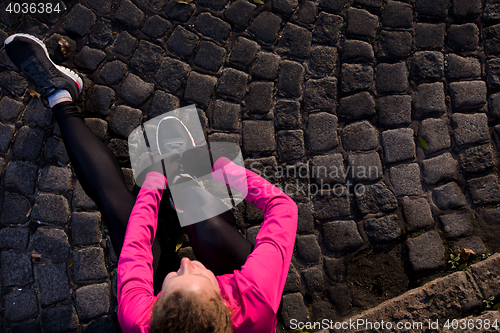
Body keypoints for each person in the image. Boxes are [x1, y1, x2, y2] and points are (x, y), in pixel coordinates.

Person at [4, 33, 298, 333]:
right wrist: (232, 174)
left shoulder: (137, 319)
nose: (186, 262)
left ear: (155, 308)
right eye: (198, 275)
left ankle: (60, 96)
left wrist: (153, 186)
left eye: (175, 278)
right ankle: (186, 186)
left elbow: (136, 240)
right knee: (208, 225)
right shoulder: (254, 297)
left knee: (120, 213)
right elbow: (283, 208)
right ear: (224, 302)